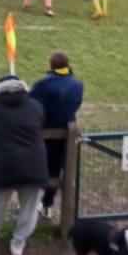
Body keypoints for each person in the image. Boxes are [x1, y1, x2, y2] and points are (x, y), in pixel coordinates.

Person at [0, 75, 48, 255]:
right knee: (29, 209)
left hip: (1, 166)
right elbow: (41, 124)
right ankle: (18, 244)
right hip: (33, 166)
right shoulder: (36, 106)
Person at [29, 52, 84, 218]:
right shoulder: (77, 84)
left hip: (43, 131)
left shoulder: (42, 84)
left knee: (36, 166)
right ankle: (47, 204)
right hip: (66, 133)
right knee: (55, 170)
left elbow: (32, 104)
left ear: (51, 65)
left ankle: (32, 202)